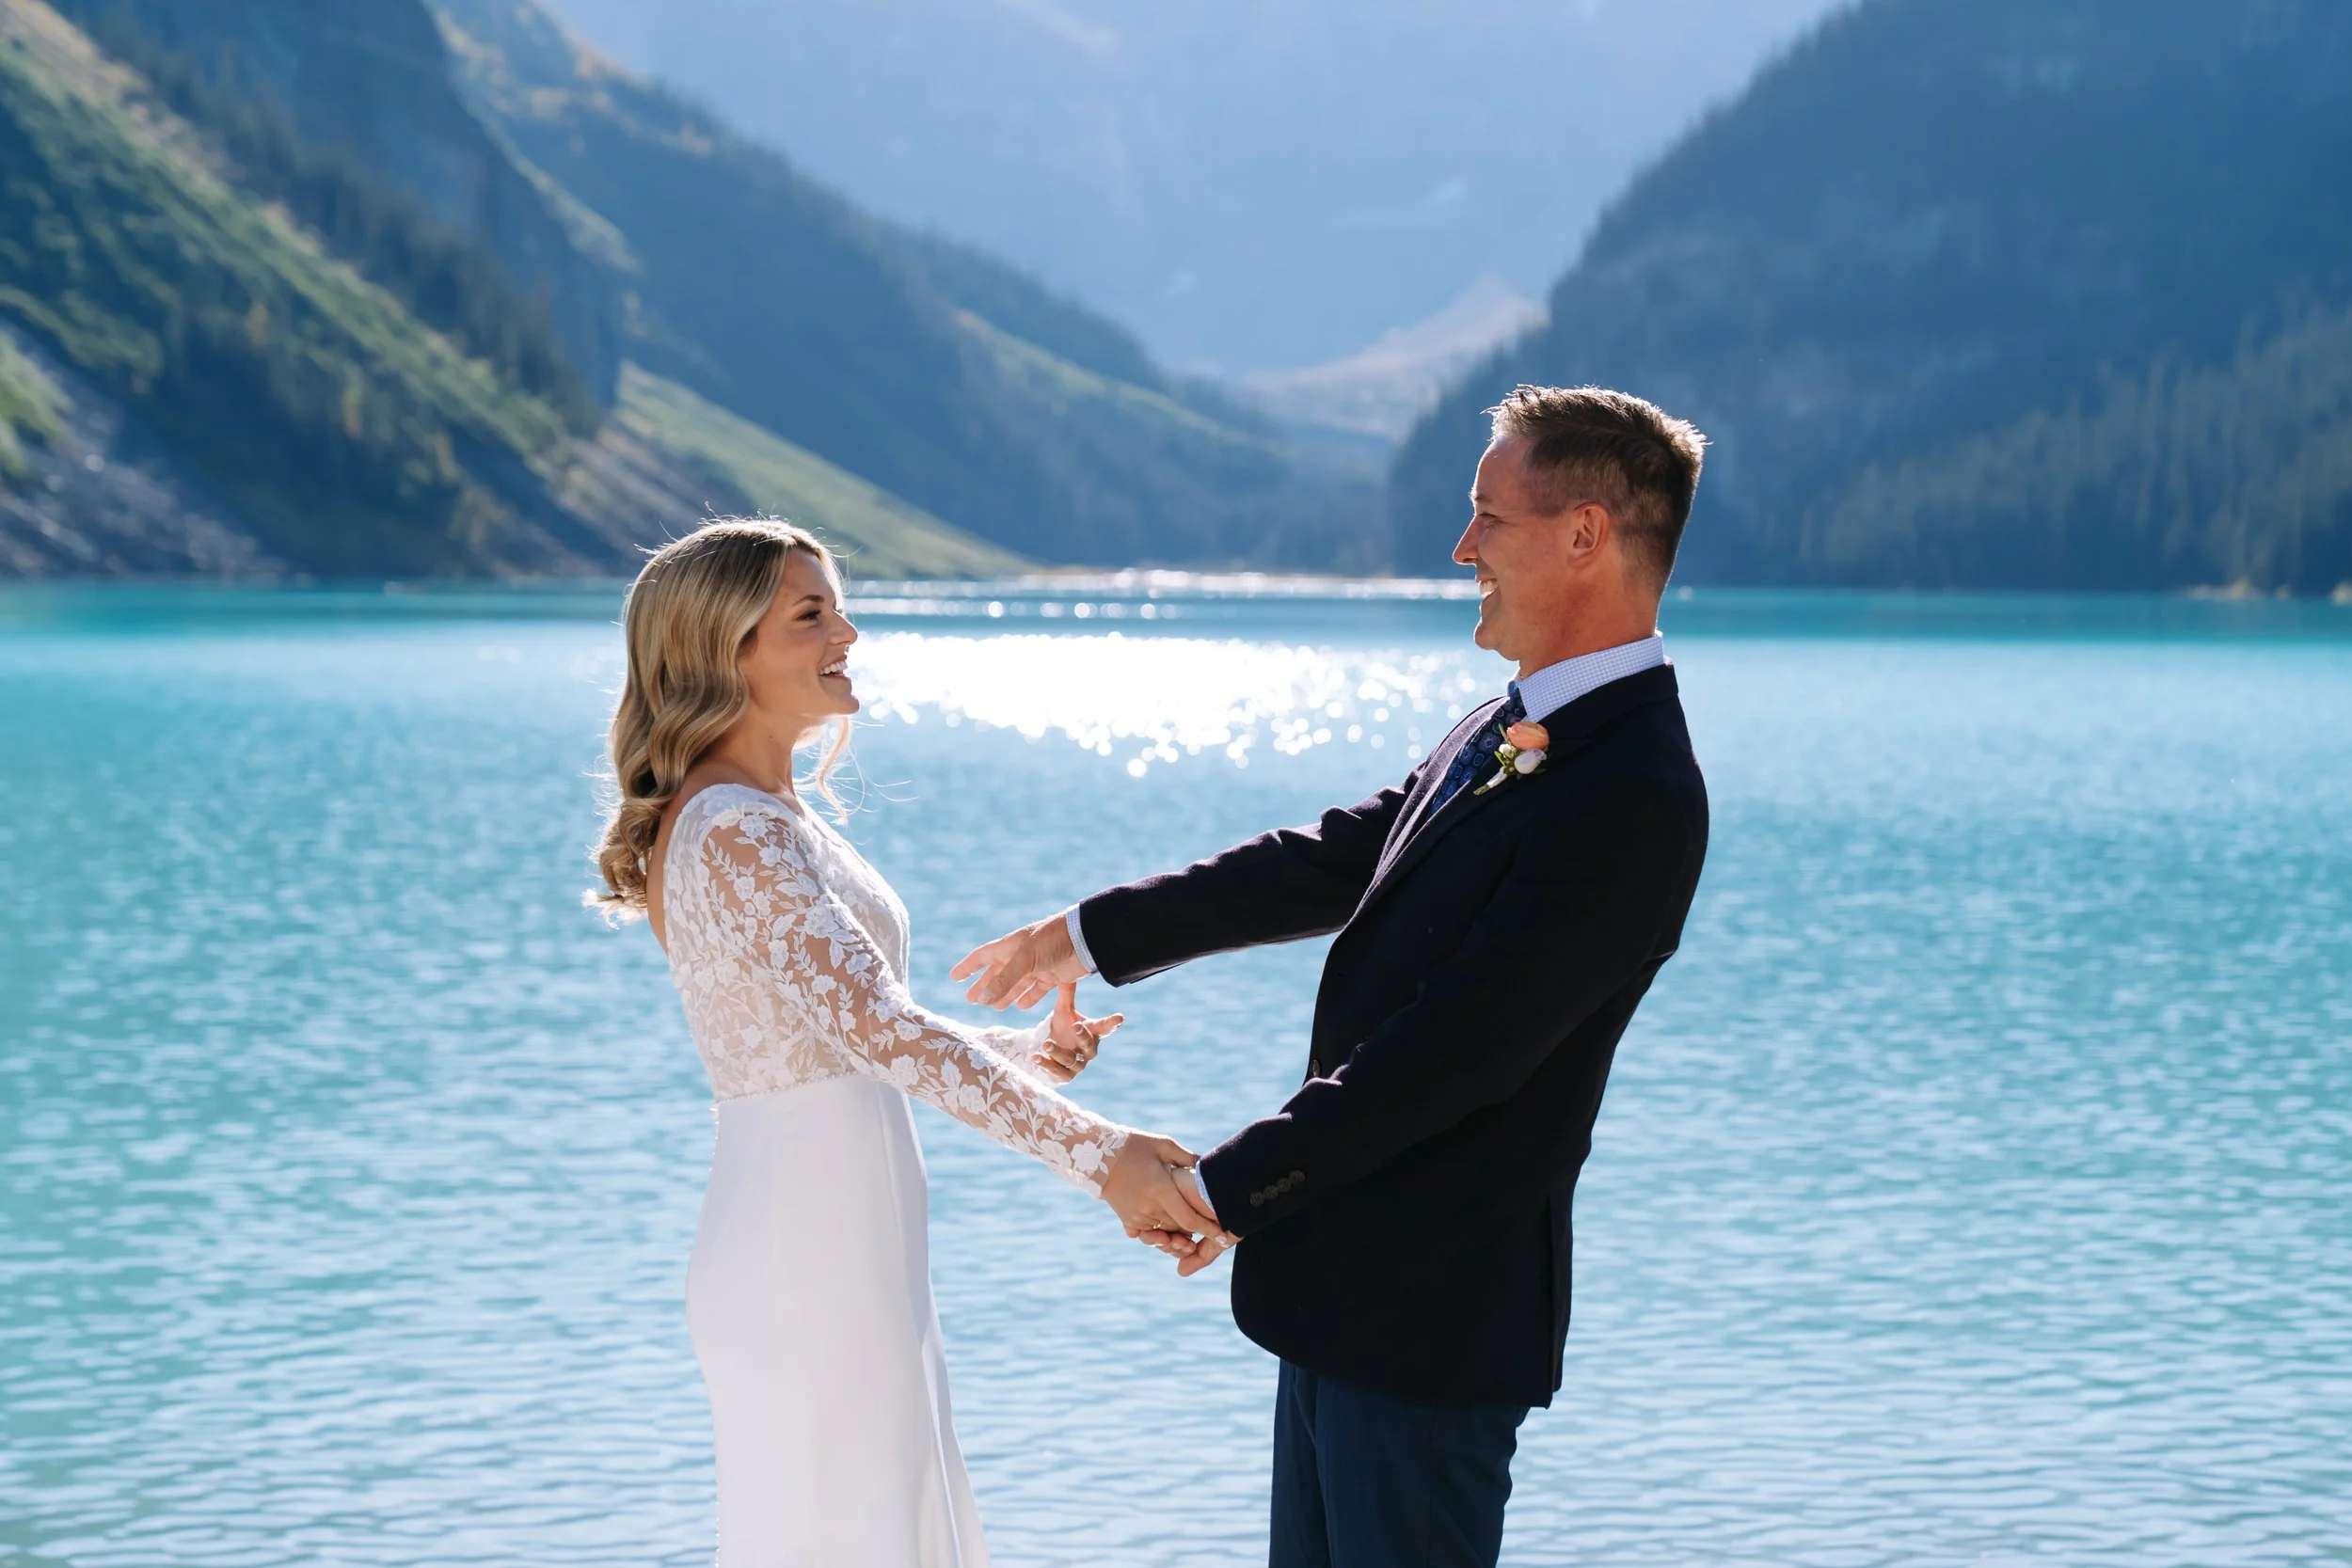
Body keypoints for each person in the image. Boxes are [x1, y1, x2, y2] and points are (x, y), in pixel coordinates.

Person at [954, 386, 1714, 1568]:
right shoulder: (1500, 726)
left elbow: (1452, 1050)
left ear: (1584, 535)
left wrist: (1225, 1188)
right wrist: (1090, 933)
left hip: (1432, 1322)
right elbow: (1337, 857)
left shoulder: (1634, 795)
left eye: (1486, 518)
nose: (1460, 547)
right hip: (1339, 1298)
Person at [588, 519, 1219, 1567]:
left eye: (835, 603)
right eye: (810, 612)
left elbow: (841, 1039)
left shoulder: (760, 812)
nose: (847, 628)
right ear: (723, 646)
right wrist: (1096, 1152)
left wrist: (1027, 1057)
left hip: (835, 1225)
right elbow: (880, 1028)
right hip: (806, 1240)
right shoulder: (739, 826)